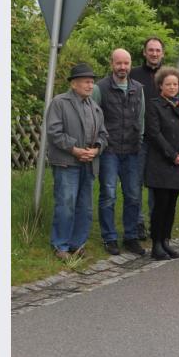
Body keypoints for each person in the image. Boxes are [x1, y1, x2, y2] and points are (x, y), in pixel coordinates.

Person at [46, 63, 108, 260]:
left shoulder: (95, 108)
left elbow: (104, 134)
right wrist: (75, 149)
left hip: (89, 163)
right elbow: (54, 132)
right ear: (73, 84)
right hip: (67, 163)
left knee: (85, 207)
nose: (91, 86)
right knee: (65, 204)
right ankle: (60, 246)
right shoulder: (60, 102)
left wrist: (97, 148)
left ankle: (77, 244)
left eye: (92, 82)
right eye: (86, 82)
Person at [91, 49, 146, 256]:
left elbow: (142, 118)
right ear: (111, 63)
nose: (122, 67)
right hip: (110, 151)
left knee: (133, 196)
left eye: (126, 63)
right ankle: (109, 237)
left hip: (132, 150)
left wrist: (139, 140)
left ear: (131, 64)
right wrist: (99, 144)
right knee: (109, 195)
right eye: (118, 63)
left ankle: (130, 237)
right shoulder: (100, 88)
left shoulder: (138, 88)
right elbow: (94, 119)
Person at [144, 67, 179, 260]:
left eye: (175, 84)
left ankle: (166, 241)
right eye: (168, 84)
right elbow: (154, 134)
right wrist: (173, 155)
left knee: (171, 205)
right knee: (160, 205)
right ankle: (156, 244)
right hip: (161, 164)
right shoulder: (154, 106)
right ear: (160, 86)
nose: (172, 87)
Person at [130, 37, 165, 241]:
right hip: (139, 138)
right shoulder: (134, 75)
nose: (154, 53)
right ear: (144, 52)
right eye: (150, 50)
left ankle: (156, 223)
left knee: (156, 185)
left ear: (162, 53)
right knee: (135, 185)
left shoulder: (168, 75)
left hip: (160, 140)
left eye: (157, 50)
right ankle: (137, 224)